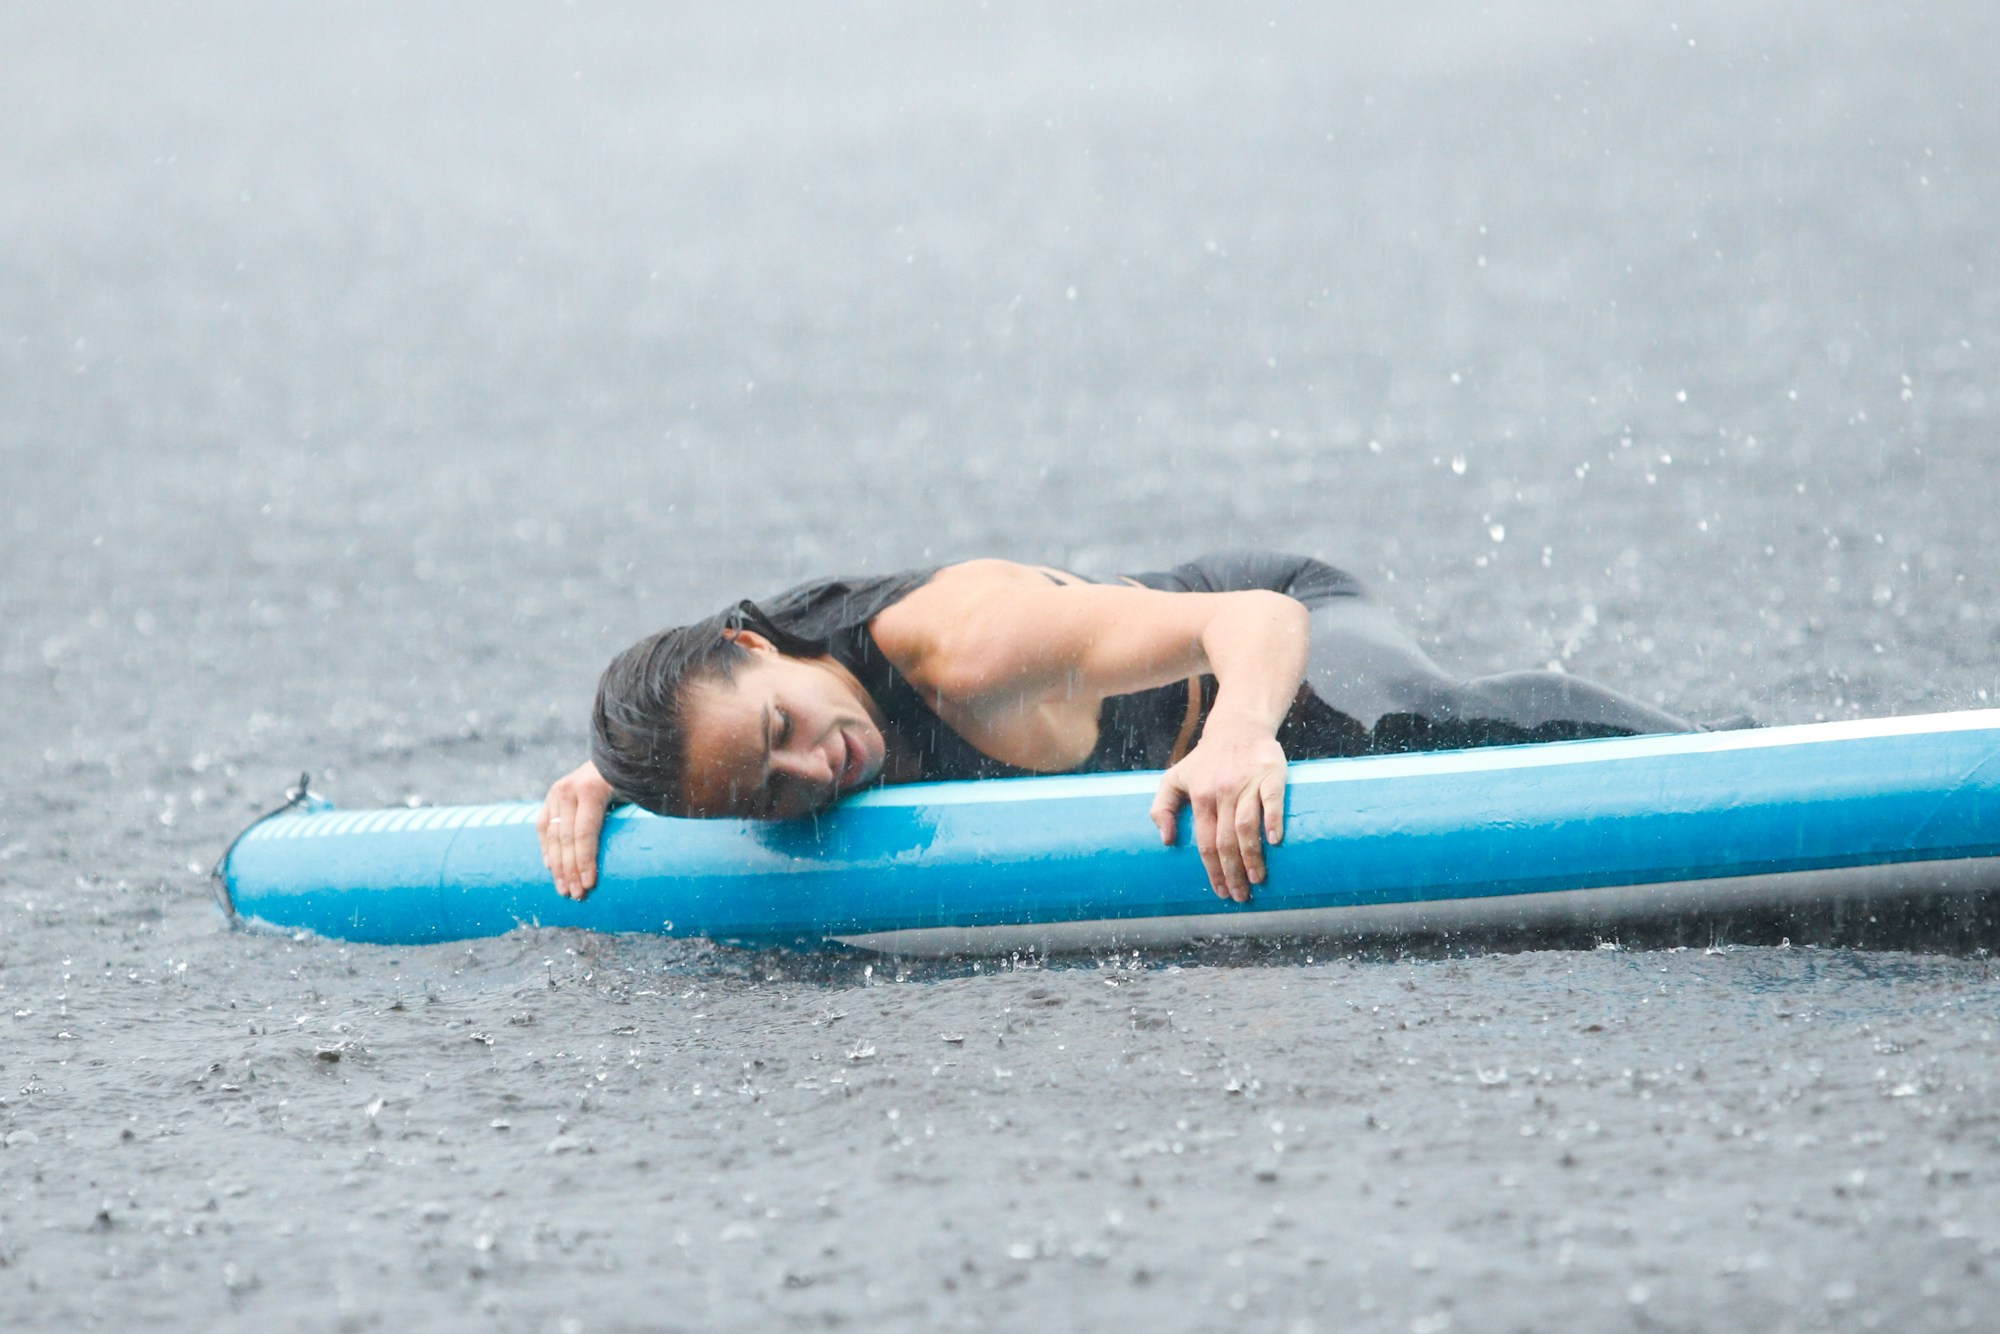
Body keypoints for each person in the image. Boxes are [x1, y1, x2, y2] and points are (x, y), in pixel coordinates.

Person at [538, 551, 1693, 905]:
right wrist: (609, 776)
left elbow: (1255, 619)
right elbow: (705, 740)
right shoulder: (720, 717)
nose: (815, 766)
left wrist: (1241, 732)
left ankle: (1714, 756)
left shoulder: (965, 640)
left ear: (756, 650)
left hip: (1264, 647)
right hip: (1219, 688)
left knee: (1407, 728)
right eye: (763, 793)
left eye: (786, 726)